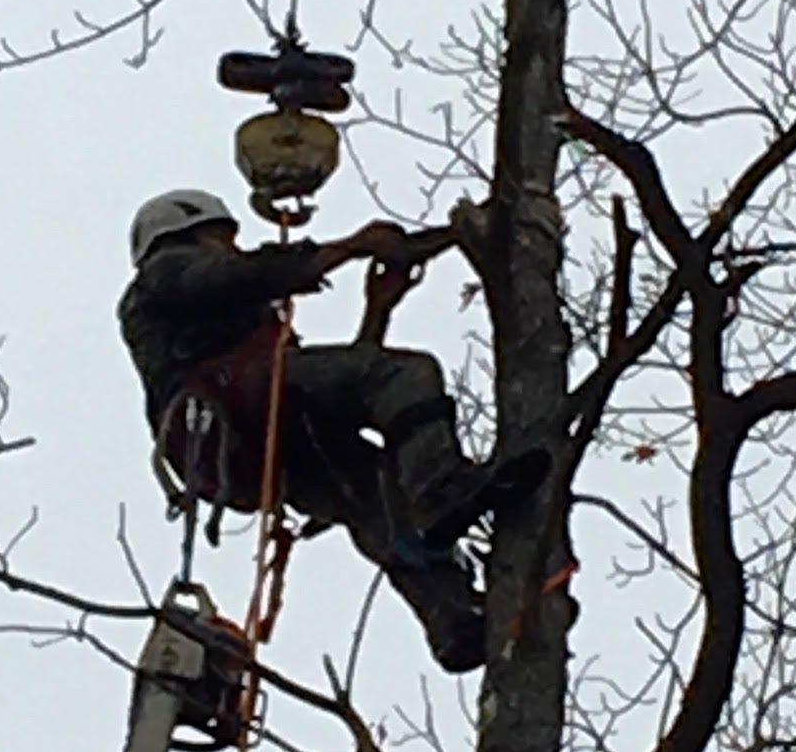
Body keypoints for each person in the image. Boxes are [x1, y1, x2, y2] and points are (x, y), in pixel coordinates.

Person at [118, 189, 547, 671]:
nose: (232, 249)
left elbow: (341, 392)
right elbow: (243, 276)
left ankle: (452, 620)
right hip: (231, 407)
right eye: (223, 238)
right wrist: (351, 246)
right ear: (186, 231)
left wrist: (378, 307)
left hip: (257, 444)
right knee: (404, 375)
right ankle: (441, 488)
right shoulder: (167, 271)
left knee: (377, 495)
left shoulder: (224, 319)